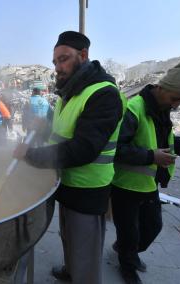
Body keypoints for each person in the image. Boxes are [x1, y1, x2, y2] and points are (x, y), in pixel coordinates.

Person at [14, 31, 125, 284]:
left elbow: (84, 148)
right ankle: (70, 271)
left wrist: (31, 155)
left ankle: (82, 276)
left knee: (85, 248)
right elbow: (63, 133)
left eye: (63, 59)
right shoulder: (72, 91)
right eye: (54, 62)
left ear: (83, 55)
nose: (57, 67)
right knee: (69, 238)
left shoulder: (103, 94)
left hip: (89, 189)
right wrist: (43, 128)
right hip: (67, 183)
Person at [111, 63, 180, 284]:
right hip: (125, 185)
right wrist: (152, 157)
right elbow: (117, 149)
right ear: (162, 88)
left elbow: (162, 139)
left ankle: (125, 250)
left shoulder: (162, 110)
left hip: (149, 184)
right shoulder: (134, 108)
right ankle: (127, 265)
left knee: (153, 227)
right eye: (175, 99)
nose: (177, 105)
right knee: (129, 231)